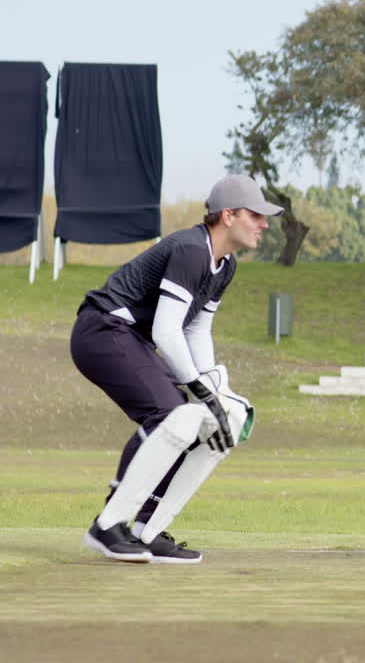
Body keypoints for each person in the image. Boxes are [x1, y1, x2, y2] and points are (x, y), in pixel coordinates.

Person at [72, 174, 280, 563]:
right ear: (229, 216)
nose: (264, 224)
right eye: (256, 215)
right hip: (100, 329)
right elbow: (166, 331)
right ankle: (108, 524)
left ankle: (144, 529)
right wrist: (201, 392)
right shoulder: (191, 250)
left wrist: (216, 392)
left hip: (129, 337)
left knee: (193, 419)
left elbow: (197, 328)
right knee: (173, 412)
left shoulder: (226, 264)